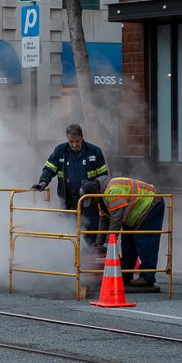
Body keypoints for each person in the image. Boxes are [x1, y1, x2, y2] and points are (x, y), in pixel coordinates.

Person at [35, 122, 110, 256]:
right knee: (68, 231)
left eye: (77, 141)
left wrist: (99, 197)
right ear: (67, 139)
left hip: (89, 202)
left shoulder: (95, 152)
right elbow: (49, 169)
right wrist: (43, 182)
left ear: (82, 138)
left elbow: (104, 178)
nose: (74, 145)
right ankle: (69, 261)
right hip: (67, 201)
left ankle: (89, 264)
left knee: (90, 232)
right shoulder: (60, 151)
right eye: (71, 142)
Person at [100, 172, 165, 290]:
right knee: (127, 244)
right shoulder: (100, 199)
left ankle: (147, 278)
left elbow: (116, 219)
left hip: (150, 205)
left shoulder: (112, 191)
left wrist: (109, 240)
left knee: (145, 242)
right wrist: (98, 244)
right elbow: (103, 222)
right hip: (134, 211)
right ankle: (125, 275)